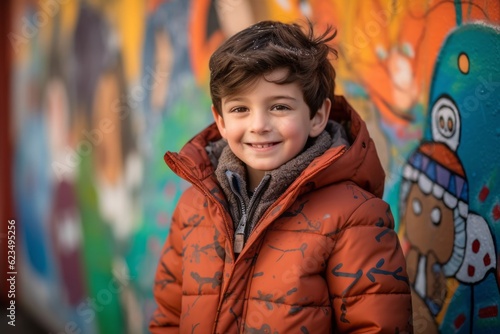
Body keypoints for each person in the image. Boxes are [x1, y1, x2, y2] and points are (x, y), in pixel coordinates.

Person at [150, 20, 413, 333]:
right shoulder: (193, 209)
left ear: (317, 116)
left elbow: (376, 327)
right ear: (219, 120)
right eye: (239, 109)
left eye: (278, 107)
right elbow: (168, 317)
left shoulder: (355, 218)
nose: (259, 124)